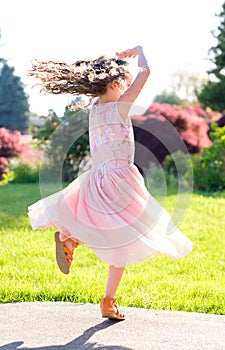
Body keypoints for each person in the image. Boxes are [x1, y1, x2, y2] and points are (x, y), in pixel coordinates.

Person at [27, 45, 193, 321]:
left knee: (106, 228)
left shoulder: (95, 109)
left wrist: (117, 63)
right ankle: (107, 299)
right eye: (124, 83)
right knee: (123, 240)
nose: (127, 88)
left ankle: (71, 241)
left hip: (98, 176)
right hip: (121, 179)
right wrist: (138, 50)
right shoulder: (120, 107)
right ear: (115, 83)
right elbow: (147, 71)